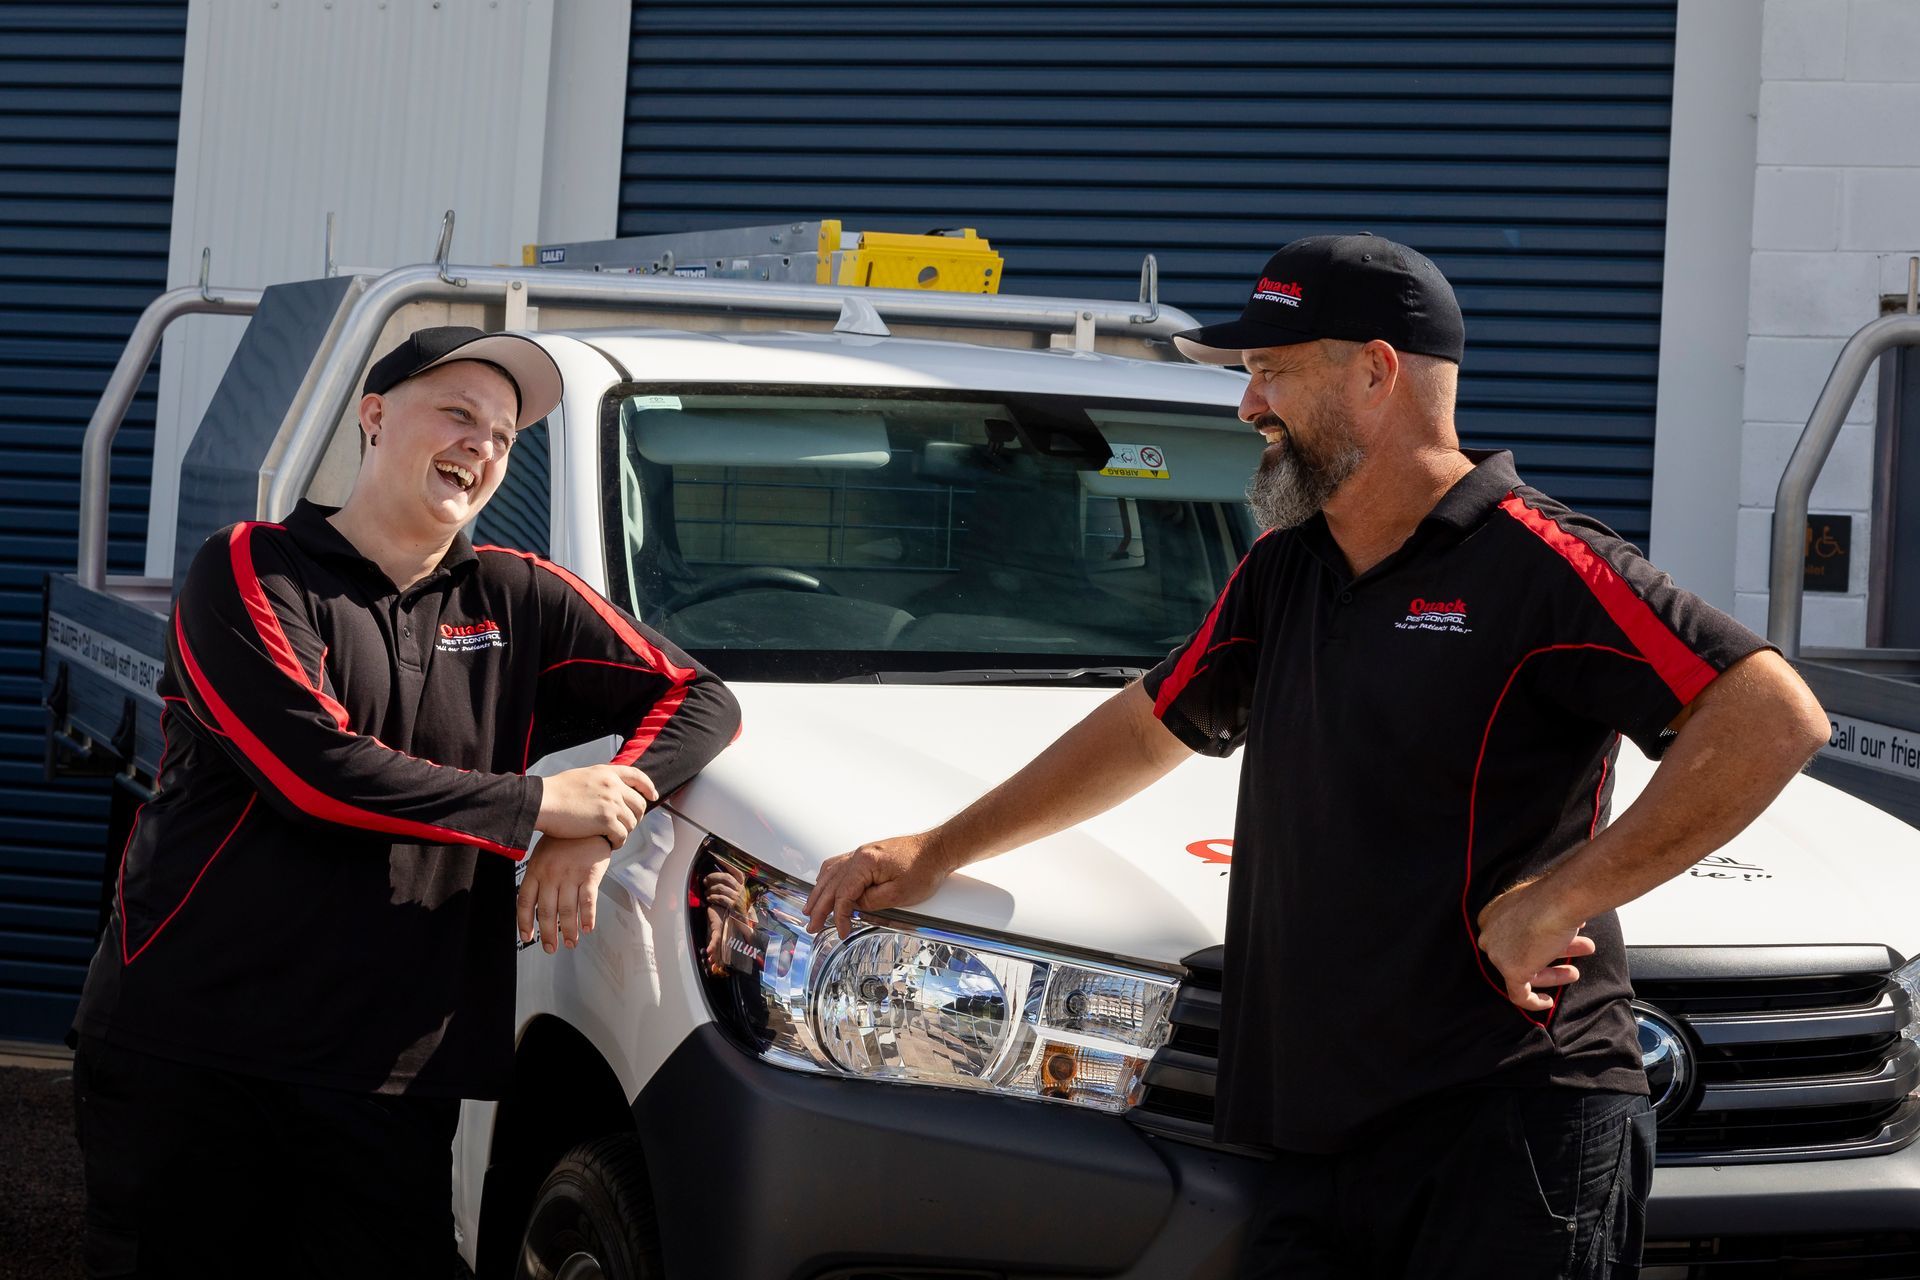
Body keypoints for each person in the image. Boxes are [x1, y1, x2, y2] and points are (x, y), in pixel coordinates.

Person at [804, 235, 1829, 1279]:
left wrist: (1559, 897)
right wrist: (939, 846)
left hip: (1511, 1118)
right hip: (1312, 1126)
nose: (1249, 406)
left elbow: (1772, 714)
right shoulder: (1285, 567)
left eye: (1272, 369)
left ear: (1377, 371)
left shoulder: (1541, 562)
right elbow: (1149, 723)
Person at [70, 325, 740, 1278]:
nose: (482, 445)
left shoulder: (517, 596)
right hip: (198, 1049)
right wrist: (540, 806)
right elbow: (314, 770)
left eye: (504, 436)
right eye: (458, 415)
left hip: (389, 1069)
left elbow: (699, 699)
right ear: (375, 419)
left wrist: (596, 830)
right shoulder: (251, 568)